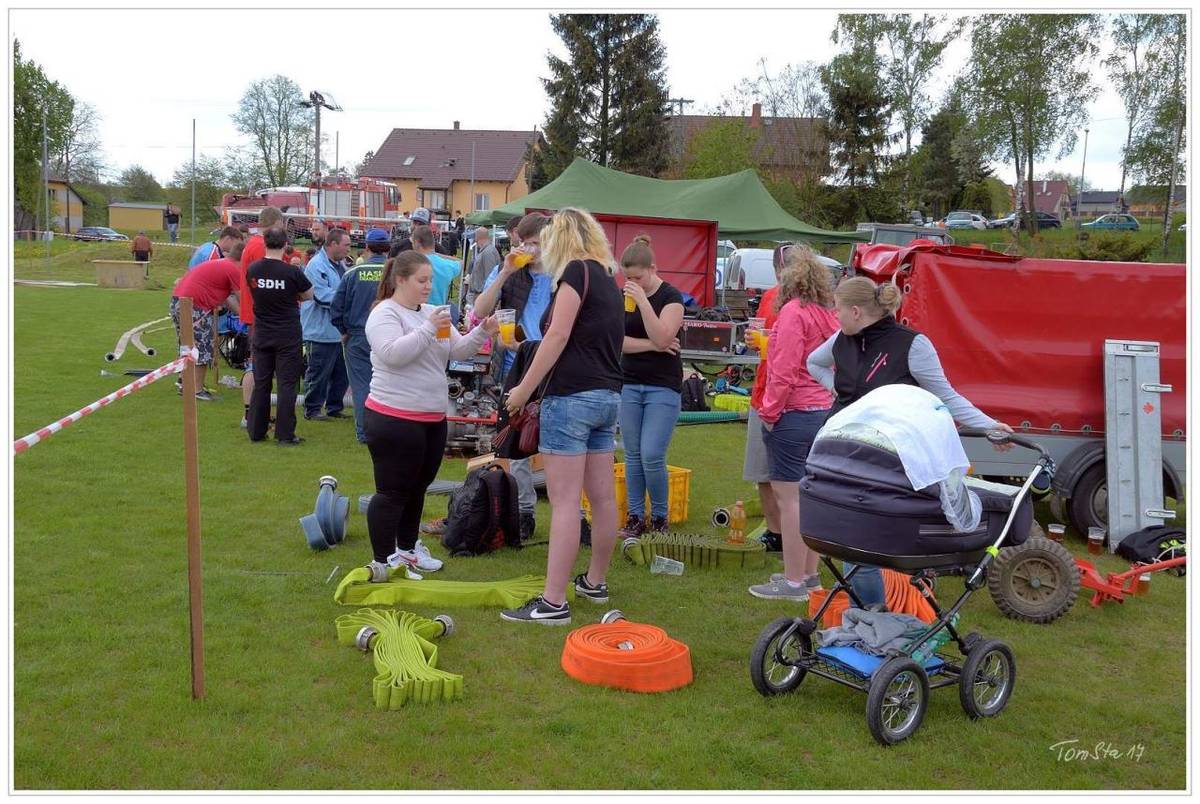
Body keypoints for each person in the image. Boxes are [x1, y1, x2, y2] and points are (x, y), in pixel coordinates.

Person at [807, 276, 1014, 607]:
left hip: (889, 458)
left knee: (862, 544)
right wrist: (838, 389)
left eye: (838, 309)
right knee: (849, 541)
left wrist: (989, 426)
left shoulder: (912, 345)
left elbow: (945, 396)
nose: (835, 315)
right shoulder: (841, 339)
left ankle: (876, 615)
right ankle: (874, 615)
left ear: (857, 312)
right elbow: (813, 363)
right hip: (843, 448)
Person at [500, 207, 625, 625]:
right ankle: (595, 580)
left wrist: (522, 390)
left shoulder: (575, 274)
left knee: (566, 501)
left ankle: (553, 602)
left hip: (571, 397)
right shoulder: (608, 280)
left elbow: (556, 335)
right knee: (602, 497)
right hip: (607, 396)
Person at [362, 251, 498, 579]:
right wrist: (427, 327)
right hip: (394, 418)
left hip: (431, 419)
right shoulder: (384, 314)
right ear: (400, 280)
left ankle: (408, 549)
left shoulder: (431, 314)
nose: (428, 287)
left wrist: (484, 332)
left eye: (430, 281)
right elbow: (394, 354)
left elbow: (459, 350)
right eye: (421, 281)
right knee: (392, 491)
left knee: (418, 487)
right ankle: (383, 559)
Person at [746, 246, 838, 601]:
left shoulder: (792, 314)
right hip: (821, 412)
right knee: (809, 498)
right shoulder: (825, 314)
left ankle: (793, 582)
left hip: (793, 414)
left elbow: (782, 372)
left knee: (790, 501)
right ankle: (809, 576)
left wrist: (769, 413)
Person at [472, 212, 556, 542]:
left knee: (559, 444)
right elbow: (480, 310)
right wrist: (506, 270)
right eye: (523, 242)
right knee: (516, 445)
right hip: (515, 366)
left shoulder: (562, 275)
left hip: (552, 367)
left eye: (534, 243)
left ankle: (577, 515)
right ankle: (524, 513)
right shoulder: (509, 270)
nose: (527, 249)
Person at [617, 234, 685, 537]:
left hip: (662, 386)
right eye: (627, 277)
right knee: (632, 454)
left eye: (638, 277)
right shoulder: (623, 297)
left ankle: (659, 517)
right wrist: (653, 346)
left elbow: (664, 334)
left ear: (653, 269)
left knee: (651, 454)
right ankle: (635, 516)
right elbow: (618, 342)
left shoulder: (671, 297)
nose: (632, 283)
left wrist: (644, 302)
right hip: (629, 383)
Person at [246, 226, 314, 445]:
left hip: (262, 332)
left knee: (262, 382)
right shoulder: (291, 272)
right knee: (286, 384)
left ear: (265, 243)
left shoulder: (253, 269)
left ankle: (256, 430)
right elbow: (309, 295)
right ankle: (285, 434)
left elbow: (254, 291)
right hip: (287, 333)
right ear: (286, 245)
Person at [742, 244, 790, 552]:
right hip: (764, 392)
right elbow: (761, 341)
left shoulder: (817, 304)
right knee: (762, 471)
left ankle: (794, 536)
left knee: (790, 478)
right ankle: (776, 533)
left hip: (792, 400)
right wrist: (753, 340)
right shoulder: (771, 297)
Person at [170, 239, 245, 401]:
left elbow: (228, 299)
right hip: (194, 305)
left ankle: (186, 384)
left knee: (188, 344)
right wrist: (250, 316)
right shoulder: (233, 269)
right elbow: (242, 298)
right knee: (203, 347)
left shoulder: (222, 265)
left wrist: (243, 316)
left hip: (179, 300)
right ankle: (196, 390)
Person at [333, 228, 389, 444]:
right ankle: (386, 430)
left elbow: (336, 308)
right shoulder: (396, 273)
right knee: (390, 383)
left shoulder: (352, 273)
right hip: (389, 335)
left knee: (361, 385)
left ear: (366, 247)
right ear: (388, 248)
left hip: (357, 335)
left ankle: (365, 432)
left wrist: (344, 331)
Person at [237, 206, 284, 428]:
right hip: (260, 315)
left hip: (256, 314)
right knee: (257, 367)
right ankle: (250, 414)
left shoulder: (254, 244)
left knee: (261, 367)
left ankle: (259, 413)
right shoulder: (259, 246)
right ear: (277, 223)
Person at [301, 228, 351, 422]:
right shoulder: (316, 266)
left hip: (337, 332)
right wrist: (349, 300)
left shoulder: (342, 265)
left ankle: (334, 407)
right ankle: (312, 409)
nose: (349, 249)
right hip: (320, 330)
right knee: (318, 372)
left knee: (341, 373)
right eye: (346, 245)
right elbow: (320, 296)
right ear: (332, 244)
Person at [410, 225, 459, 307]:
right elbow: (460, 262)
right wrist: (436, 254)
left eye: (412, 243)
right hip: (439, 312)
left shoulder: (411, 263)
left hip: (416, 313)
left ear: (417, 242)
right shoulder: (447, 265)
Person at [465, 225, 500, 310]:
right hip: (478, 294)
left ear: (477, 238)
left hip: (480, 295)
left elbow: (490, 278)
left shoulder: (488, 252)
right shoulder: (487, 251)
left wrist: (482, 297)